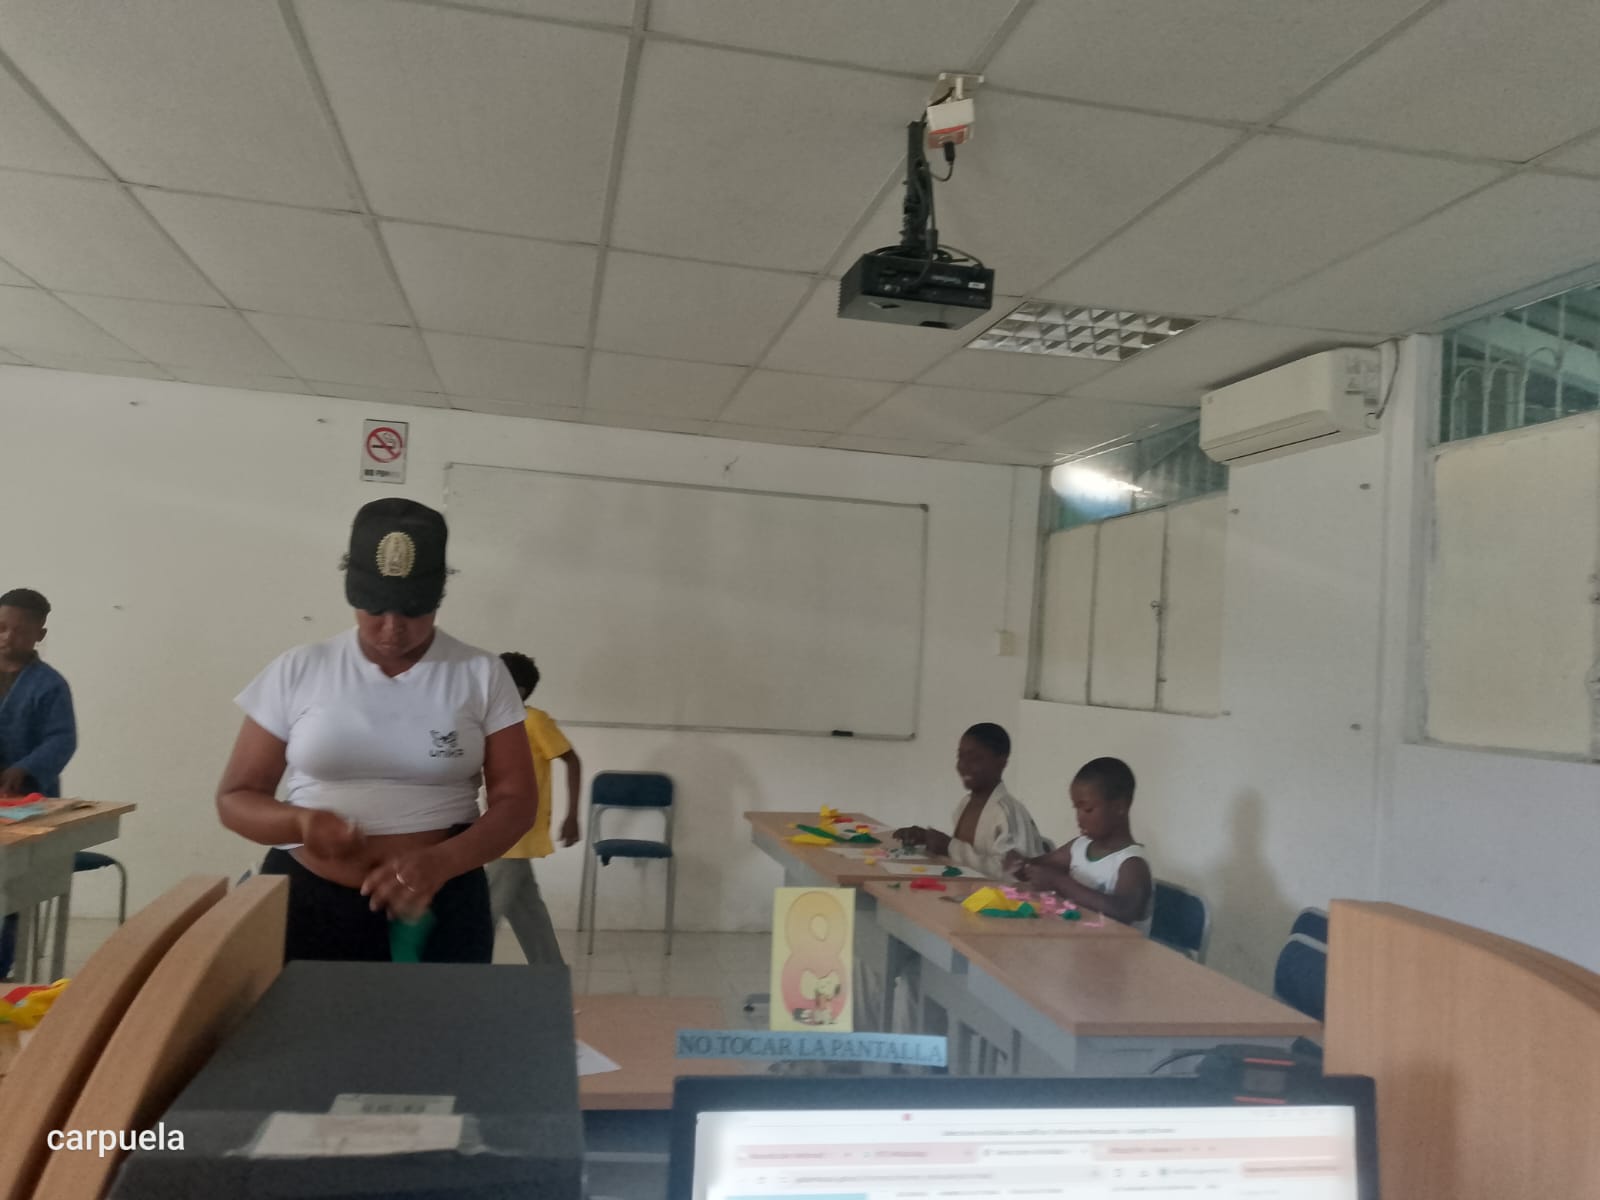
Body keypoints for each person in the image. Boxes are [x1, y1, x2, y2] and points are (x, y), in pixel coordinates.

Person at [215, 499, 536, 963]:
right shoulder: (300, 669)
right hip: (309, 903)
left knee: (442, 1013)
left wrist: (441, 862)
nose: (391, 627)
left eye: (412, 610)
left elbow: (516, 802)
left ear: (439, 595)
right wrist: (300, 822)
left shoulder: (480, 673)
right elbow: (236, 797)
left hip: (441, 903)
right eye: (374, 607)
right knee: (306, 1012)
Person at [0, 588, 78, 979]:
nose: (7, 637)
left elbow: (62, 739)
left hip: (28, 803)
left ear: (39, 634)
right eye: (1, 627)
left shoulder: (50, 685)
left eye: (20, 630)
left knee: (15, 889)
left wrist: (25, 768)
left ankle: (3, 966)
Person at [484, 651, 580, 965]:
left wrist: (572, 816)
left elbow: (572, 760)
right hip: (499, 826)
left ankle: (462, 976)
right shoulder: (494, 722)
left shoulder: (535, 721)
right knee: (527, 910)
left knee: (485, 910)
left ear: (519, 691)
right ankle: (550, 972)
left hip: (517, 828)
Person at [1004, 757, 1153, 933]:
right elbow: (1037, 868)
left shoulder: (1132, 863)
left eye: (1087, 809)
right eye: (1076, 809)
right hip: (1079, 943)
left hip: (1118, 949)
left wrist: (1059, 882)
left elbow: (1122, 911)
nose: (1079, 819)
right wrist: (1020, 864)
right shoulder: (1079, 847)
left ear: (1119, 807)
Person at [894, 723, 1044, 879]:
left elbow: (1014, 874)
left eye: (974, 758)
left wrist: (949, 847)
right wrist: (926, 839)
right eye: (960, 756)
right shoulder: (965, 804)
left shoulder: (1007, 812)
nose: (963, 765)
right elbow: (963, 859)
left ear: (1002, 762)